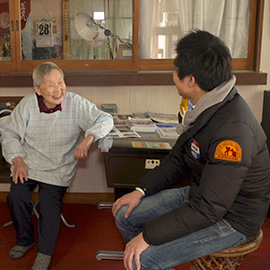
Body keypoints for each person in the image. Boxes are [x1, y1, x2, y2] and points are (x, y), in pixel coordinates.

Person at [112, 30, 270, 270]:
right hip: (203, 196)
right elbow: (178, 158)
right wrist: (141, 190)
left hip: (232, 219)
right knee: (125, 214)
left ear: (191, 80)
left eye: (176, 71)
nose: (173, 75)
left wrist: (147, 237)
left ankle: (147, 261)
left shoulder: (233, 132)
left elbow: (210, 208)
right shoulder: (207, 105)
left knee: (144, 259)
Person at [0, 62, 114, 270]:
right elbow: (9, 133)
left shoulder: (75, 103)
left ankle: (44, 254)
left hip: (58, 166)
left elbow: (105, 119)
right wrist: (17, 159)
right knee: (16, 197)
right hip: (28, 163)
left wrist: (89, 137)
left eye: (60, 82)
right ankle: (25, 239)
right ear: (37, 89)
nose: (58, 89)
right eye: (50, 85)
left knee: (49, 206)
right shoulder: (27, 105)